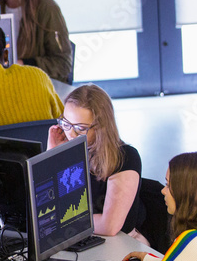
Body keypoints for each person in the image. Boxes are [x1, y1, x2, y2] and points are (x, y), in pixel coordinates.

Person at [47, 84, 147, 243]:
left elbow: (109, 226)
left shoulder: (125, 157)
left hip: (122, 243)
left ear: (101, 127)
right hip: (79, 237)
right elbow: (50, 207)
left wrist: (60, 220)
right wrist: (53, 155)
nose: (70, 133)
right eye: (65, 123)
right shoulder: (73, 150)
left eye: (80, 128)